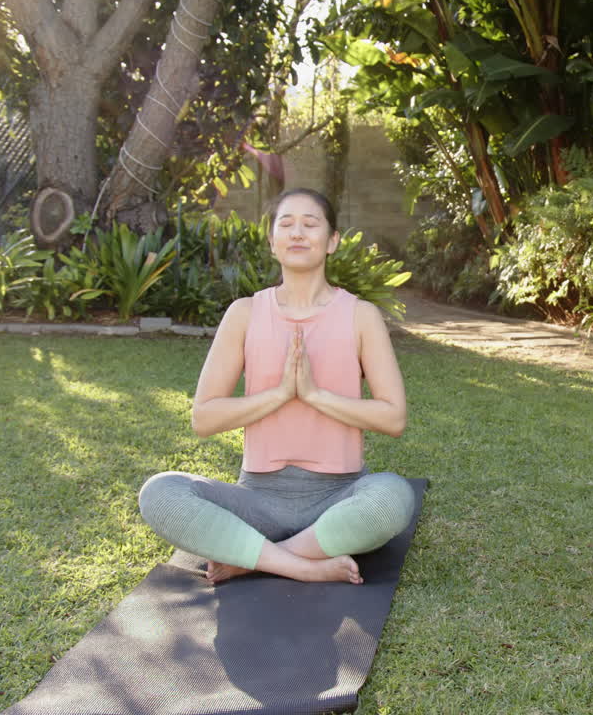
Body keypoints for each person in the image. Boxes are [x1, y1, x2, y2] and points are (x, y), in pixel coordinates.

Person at [139, 188, 415, 585]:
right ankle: (303, 565)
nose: (297, 233)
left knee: (392, 497)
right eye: (286, 224)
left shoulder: (361, 316)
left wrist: (314, 395)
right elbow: (204, 418)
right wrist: (281, 394)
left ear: (332, 241)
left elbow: (393, 418)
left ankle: (254, 559)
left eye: (310, 224)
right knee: (160, 492)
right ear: (272, 242)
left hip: (339, 496)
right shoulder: (245, 313)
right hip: (258, 501)